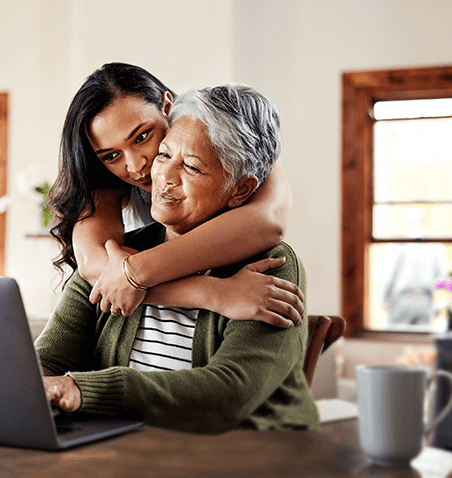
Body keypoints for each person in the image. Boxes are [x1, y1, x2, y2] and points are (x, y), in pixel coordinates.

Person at [37, 84, 319, 433]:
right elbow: (46, 362)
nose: (160, 178)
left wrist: (84, 390)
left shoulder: (273, 265)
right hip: (128, 452)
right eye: (165, 155)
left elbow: (227, 396)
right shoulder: (119, 255)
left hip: (245, 457)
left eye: (192, 168)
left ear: (241, 190)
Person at [48, 63, 303, 325]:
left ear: (166, 106)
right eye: (112, 155)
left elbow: (268, 221)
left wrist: (135, 273)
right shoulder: (101, 177)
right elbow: (96, 266)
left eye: (142, 136)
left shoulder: (228, 135)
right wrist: (213, 293)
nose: (136, 166)